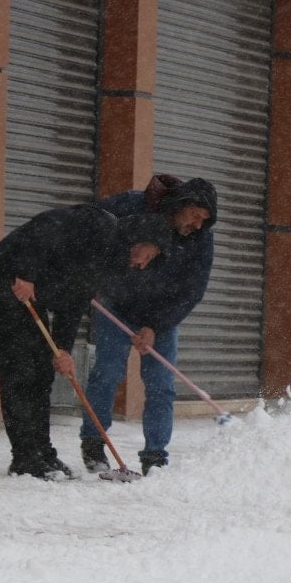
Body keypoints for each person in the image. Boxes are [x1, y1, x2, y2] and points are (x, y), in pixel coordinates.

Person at [0, 203, 172, 479]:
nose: (142, 264)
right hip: (4, 284)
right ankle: (25, 459)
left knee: (42, 370)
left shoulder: (110, 263)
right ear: (138, 240)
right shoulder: (100, 225)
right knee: (22, 371)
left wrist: (62, 349)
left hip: (28, 297)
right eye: (148, 255)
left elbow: (74, 302)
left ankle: (43, 453)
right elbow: (42, 227)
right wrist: (26, 273)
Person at [79, 175, 218, 476]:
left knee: (161, 386)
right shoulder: (133, 204)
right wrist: (92, 271)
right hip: (115, 304)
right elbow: (87, 221)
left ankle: (155, 456)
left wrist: (155, 325)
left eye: (204, 220)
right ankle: (93, 443)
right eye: (195, 215)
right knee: (107, 374)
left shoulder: (201, 238)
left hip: (162, 316)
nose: (197, 225)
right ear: (182, 204)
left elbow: (193, 290)